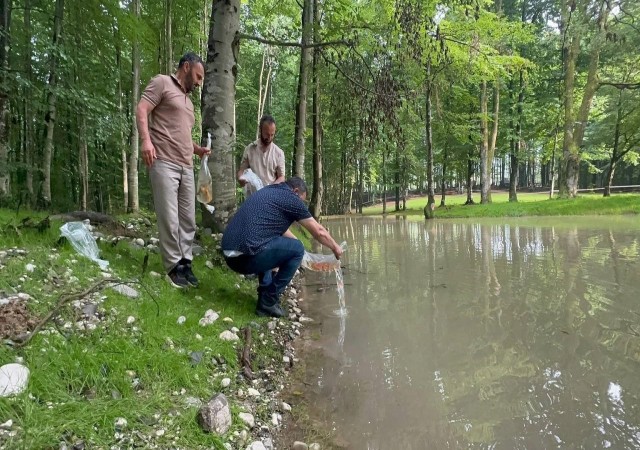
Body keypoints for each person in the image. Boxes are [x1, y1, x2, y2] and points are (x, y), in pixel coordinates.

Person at [136, 52, 210, 288]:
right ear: (186, 67)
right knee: (169, 218)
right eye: (198, 77)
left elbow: (182, 134)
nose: (199, 83)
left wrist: (197, 150)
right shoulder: (162, 82)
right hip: (164, 162)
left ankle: (186, 262)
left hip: (186, 166)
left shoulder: (188, 102)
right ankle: (172, 267)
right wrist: (146, 141)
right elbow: (142, 109)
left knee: (188, 219)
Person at [222, 177, 343, 317]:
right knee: (296, 249)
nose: (301, 204)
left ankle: (265, 291)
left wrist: (299, 248)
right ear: (296, 191)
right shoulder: (291, 198)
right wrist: (335, 247)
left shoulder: (270, 191)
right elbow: (319, 231)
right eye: (302, 200)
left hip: (230, 255)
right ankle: (267, 302)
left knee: (279, 243)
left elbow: (277, 230)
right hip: (244, 258)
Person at [237, 115, 285, 191]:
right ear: (260, 130)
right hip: (253, 196)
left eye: (272, 135)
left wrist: (272, 188)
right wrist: (240, 178)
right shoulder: (250, 149)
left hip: (270, 195)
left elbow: (281, 177)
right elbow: (241, 170)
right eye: (267, 134)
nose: (269, 138)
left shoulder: (278, 153)